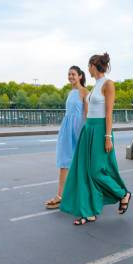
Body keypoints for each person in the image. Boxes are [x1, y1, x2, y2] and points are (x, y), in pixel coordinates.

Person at [60, 53, 131, 225]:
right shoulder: (95, 85)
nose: (88, 69)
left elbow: (108, 114)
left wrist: (108, 137)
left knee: (96, 171)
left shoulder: (108, 84)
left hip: (100, 131)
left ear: (94, 65)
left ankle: (123, 194)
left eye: (89, 65)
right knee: (84, 171)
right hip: (89, 130)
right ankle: (88, 212)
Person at [45, 66, 89, 209]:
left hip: (78, 130)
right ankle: (60, 195)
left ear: (80, 76)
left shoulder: (84, 92)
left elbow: (87, 115)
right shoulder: (71, 92)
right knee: (64, 162)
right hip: (67, 129)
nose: (70, 77)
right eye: (69, 74)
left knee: (81, 163)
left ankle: (83, 194)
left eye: (73, 74)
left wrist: (86, 132)